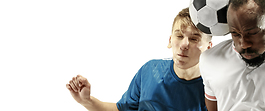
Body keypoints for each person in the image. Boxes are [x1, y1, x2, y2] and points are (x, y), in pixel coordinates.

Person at [66, 7, 212, 111]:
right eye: (179, 36)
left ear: (209, 48)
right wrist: (86, 101)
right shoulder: (150, 71)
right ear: (170, 40)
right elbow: (121, 109)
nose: (184, 45)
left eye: (194, 39)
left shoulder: (214, 88)